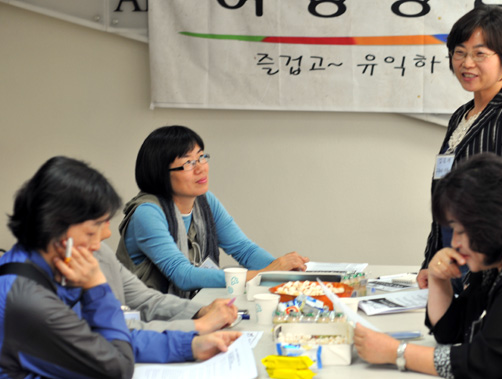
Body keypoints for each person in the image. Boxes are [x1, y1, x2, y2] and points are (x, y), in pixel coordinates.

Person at [354, 153, 502, 378]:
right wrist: (439, 279)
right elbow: (453, 332)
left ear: (491, 224)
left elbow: (479, 365)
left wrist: (397, 352)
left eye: (460, 231)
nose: (456, 243)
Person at [1, 157, 241, 378]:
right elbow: (114, 366)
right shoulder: (27, 300)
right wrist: (97, 288)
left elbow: (110, 338)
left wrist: (188, 346)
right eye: (92, 230)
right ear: (56, 227)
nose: (102, 238)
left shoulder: (58, 264)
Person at [417, 5, 502, 289]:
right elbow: (442, 198)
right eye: (460, 52)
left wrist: (482, 278)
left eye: (479, 54)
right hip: (449, 257)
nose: (466, 63)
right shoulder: (460, 116)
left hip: (485, 264)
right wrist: (430, 261)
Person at [117, 125, 309, 296]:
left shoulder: (205, 201)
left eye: (201, 157)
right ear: (160, 173)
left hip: (190, 306)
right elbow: (183, 275)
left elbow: (243, 249)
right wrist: (264, 274)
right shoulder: (147, 213)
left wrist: (283, 271)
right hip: (146, 318)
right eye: (188, 163)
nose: (201, 168)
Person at [97, 242, 238, 332]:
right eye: (91, 231)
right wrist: (199, 326)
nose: (107, 234)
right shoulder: (146, 212)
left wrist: (201, 311)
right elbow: (183, 275)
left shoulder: (101, 250)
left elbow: (146, 300)